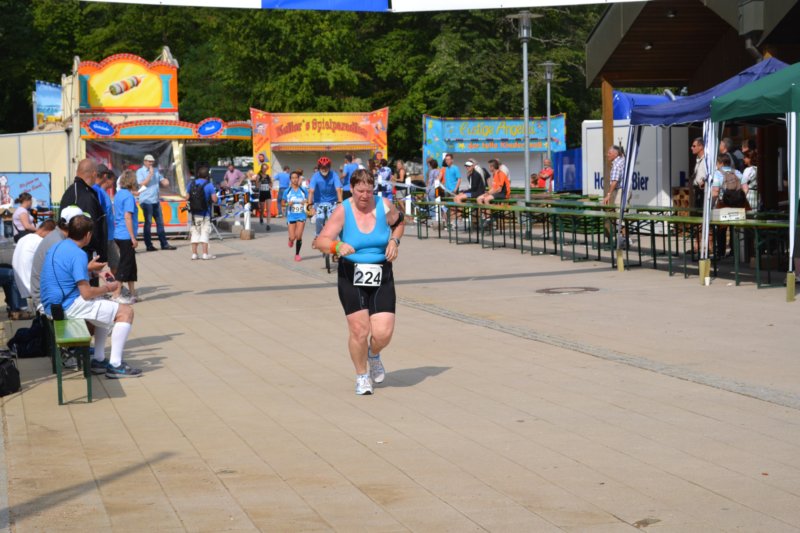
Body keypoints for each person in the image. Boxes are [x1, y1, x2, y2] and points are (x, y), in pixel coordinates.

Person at [315, 169, 405, 395]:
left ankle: (373, 354)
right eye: (360, 191)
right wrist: (337, 246)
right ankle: (362, 376)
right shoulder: (343, 210)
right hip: (351, 274)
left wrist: (394, 241)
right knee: (359, 330)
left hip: (381, 273)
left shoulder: (384, 205)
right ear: (351, 189)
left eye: (369, 191)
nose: (364, 196)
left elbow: (399, 223)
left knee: (383, 333)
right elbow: (320, 241)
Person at [40, 214, 141, 379]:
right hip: (66, 306)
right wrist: (108, 287)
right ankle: (116, 365)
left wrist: (89, 270)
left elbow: (65, 273)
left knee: (103, 307)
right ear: (87, 235)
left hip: (52, 305)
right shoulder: (78, 254)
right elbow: (86, 294)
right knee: (126, 312)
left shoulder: (58, 246)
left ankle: (99, 360)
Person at [60, 158, 109, 263]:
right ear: (94, 174)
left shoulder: (69, 192)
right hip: (84, 255)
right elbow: (90, 228)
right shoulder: (86, 196)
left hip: (71, 251)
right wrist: (99, 255)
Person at [136, 154, 176, 252]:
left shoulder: (156, 170)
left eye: (152, 162)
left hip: (156, 200)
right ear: (145, 161)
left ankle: (164, 244)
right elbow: (141, 184)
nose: (151, 163)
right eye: (149, 161)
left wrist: (165, 181)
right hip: (146, 201)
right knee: (148, 223)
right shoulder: (140, 171)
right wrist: (150, 175)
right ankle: (149, 245)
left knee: (160, 223)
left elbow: (162, 181)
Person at [112, 170, 141, 303]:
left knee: (131, 264)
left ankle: (132, 293)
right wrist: (133, 237)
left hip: (118, 233)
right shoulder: (129, 197)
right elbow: (127, 216)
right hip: (125, 235)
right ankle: (116, 294)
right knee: (125, 264)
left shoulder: (119, 194)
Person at [711, 152, 746, 258]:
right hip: (737, 205)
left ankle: (720, 253)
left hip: (723, 204)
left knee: (721, 229)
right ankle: (734, 252)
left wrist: (712, 205)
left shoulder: (717, 174)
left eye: (716, 163)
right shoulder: (738, 172)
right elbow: (745, 188)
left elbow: (715, 192)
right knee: (734, 228)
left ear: (720, 163)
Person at [12, 220, 56, 299]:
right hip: (33, 288)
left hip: (21, 287)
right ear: (49, 231)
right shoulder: (40, 241)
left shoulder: (23, 239)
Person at [185, 166, 218, 261]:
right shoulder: (209, 185)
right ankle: (205, 254)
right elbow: (214, 199)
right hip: (205, 213)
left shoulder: (191, 184)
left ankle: (194, 254)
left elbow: (186, 197)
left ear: (198, 174)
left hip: (194, 213)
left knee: (195, 233)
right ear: (207, 176)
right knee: (205, 233)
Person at [308, 156, 342, 246]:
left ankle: (334, 239)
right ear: (319, 168)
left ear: (329, 167)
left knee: (333, 220)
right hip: (318, 202)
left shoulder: (334, 175)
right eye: (322, 167)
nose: (324, 169)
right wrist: (310, 206)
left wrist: (340, 202)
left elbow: (338, 189)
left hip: (332, 202)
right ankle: (317, 236)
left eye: (326, 167)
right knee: (319, 218)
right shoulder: (315, 176)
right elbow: (311, 191)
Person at [93, 165, 119, 276]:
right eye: (112, 180)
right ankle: (116, 285)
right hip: (105, 235)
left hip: (109, 234)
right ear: (106, 178)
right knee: (114, 264)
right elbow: (97, 212)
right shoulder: (97, 191)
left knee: (109, 264)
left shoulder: (103, 192)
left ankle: (113, 285)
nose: (113, 183)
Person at [283, 170, 309, 262]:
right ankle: (290, 240)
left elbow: (309, 200)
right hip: (291, 216)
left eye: (296, 178)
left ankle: (297, 254)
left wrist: (306, 201)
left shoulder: (303, 190)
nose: (294, 179)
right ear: (290, 179)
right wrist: (287, 204)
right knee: (293, 237)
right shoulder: (287, 191)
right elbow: (283, 203)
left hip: (301, 215)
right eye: (292, 178)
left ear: (299, 179)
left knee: (299, 236)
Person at [690, 137, 707, 210]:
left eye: (694, 146)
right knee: (697, 211)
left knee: (701, 211)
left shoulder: (707, 160)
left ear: (701, 147)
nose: (691, 148)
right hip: (697, 190)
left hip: (704, 191)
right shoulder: (698, 159)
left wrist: (704, 181)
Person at [256, 164, 272, 230]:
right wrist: (261, 180)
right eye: (263, 168)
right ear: (261, 169)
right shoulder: (258, 176)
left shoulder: (268, 176)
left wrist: (270, 186)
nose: (265, 170)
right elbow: (257, 186)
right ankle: (261, 217)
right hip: (262, 194)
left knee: (268, 210)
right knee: (262, 209)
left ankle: (268, 225)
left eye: (266, 168)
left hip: (268, 193)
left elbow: (271, 183)